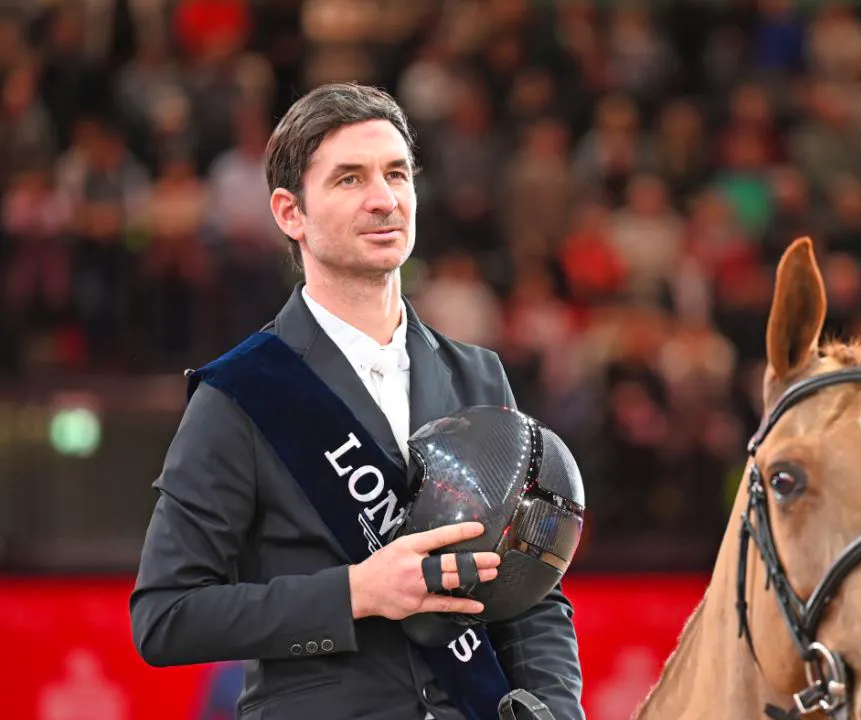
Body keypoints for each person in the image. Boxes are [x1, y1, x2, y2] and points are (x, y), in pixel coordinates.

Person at [129, 83, 584, 720]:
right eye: (349, 179)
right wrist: (355, 593)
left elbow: (533, 590)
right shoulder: (241, 392)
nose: (383, 199)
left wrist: (557, 708)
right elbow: (165, 616)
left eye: (396, 174)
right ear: (290, 213)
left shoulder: (478, 374)